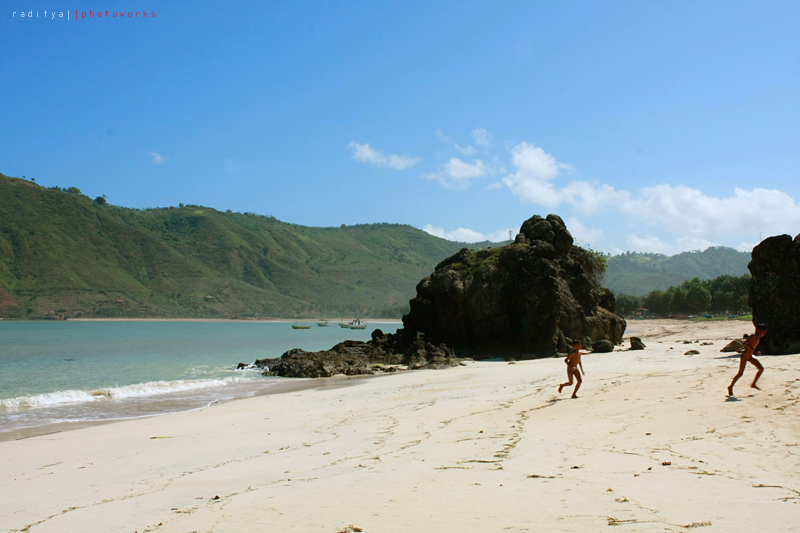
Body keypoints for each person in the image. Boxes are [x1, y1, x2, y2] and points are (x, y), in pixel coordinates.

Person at [728, 323, 767, 396]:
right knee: (740, 373)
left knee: (761, 369)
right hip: (745, 355)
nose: (764, 334)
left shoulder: (757, 337)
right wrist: (755, 351)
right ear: (759, 330)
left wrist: (754, 351)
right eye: (763, 332)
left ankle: (753, 384)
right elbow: (745, 343)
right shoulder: (754, 336)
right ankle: (730, 387)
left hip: (750, 355)